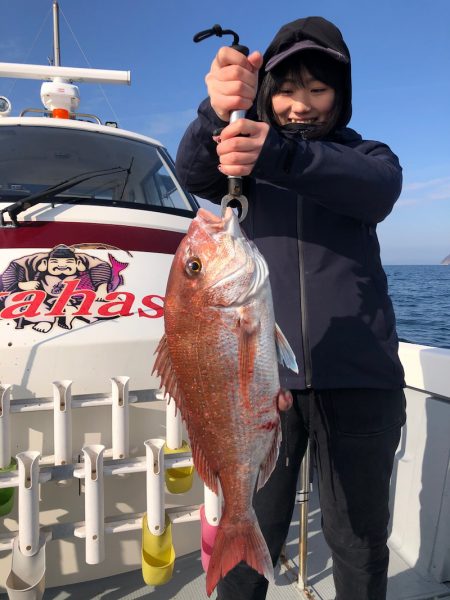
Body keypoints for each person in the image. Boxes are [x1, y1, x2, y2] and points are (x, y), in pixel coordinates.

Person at [175, 15, 406, 600]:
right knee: (253, 527)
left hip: (360, 379)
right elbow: (196, 171)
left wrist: (276, 152)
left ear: (341, 95)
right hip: (263, 387)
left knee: (359, 540)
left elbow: (376, 191)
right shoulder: (247, 165)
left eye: (317, 89)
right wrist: (217, 110)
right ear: (265, 92)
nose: (300, 104)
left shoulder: (368, 157)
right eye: (285, 89)